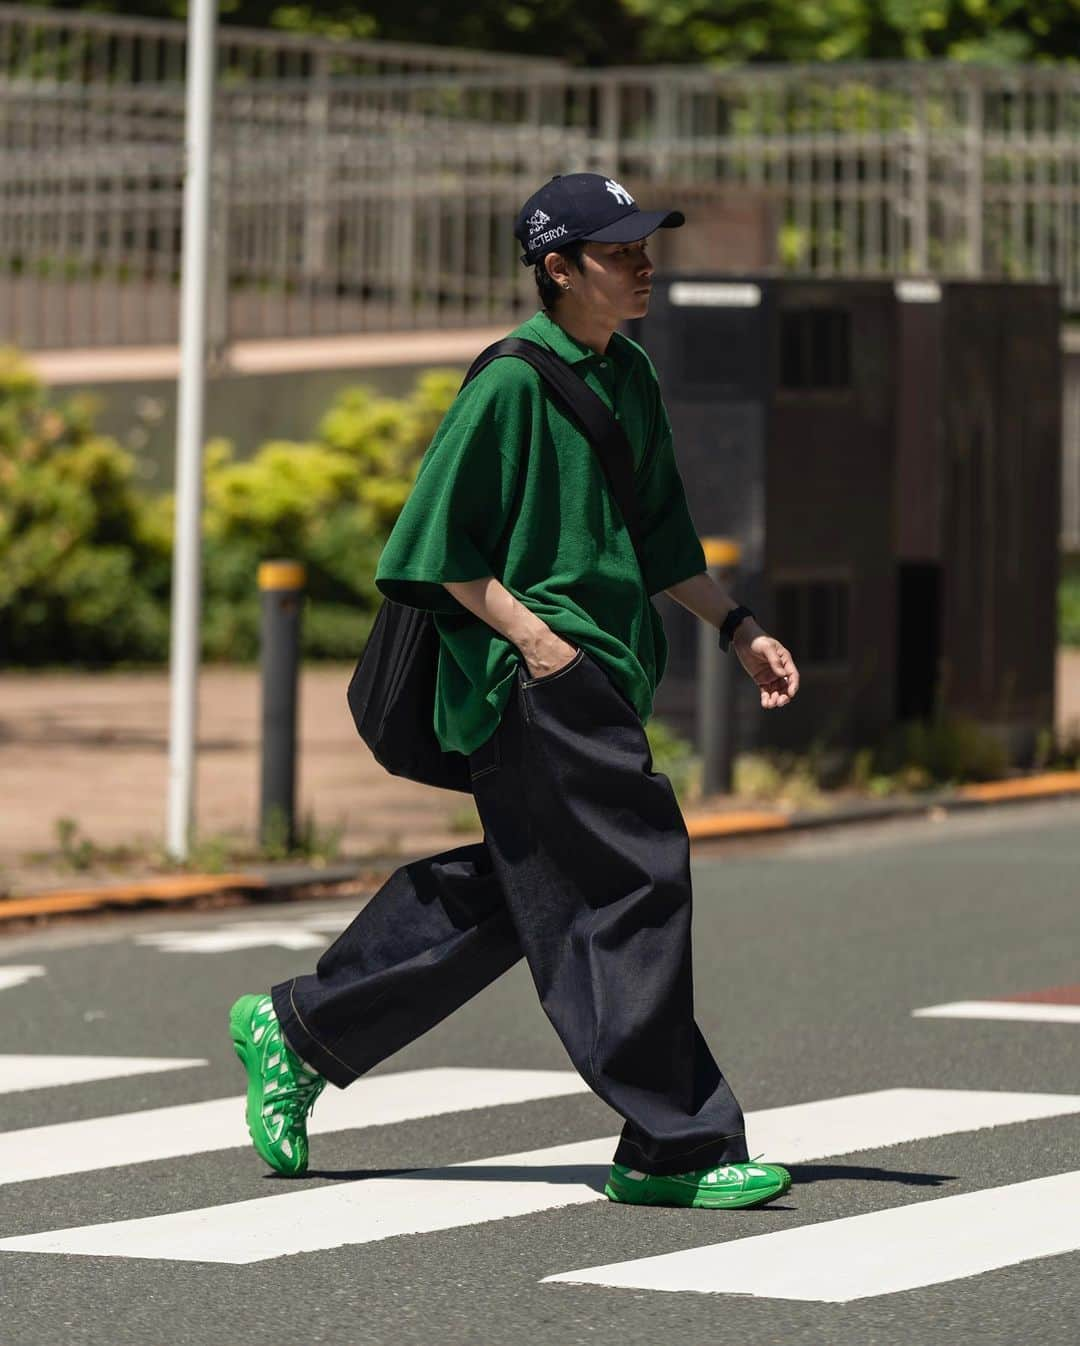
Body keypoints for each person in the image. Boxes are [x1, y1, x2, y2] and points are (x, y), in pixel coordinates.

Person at [230, 172, 801, 1210]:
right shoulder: (509, 383)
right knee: (638, 878)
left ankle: (303, 1024)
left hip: (598, 676)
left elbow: (662, 536)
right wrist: (542, 646)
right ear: (557, 267)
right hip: (535, 678)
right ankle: (673, 1142)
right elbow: (436, 550)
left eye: (645, 245)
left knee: (523, 891)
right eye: (620, 250)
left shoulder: (626, 376)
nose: (643, 264)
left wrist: (738, 627)